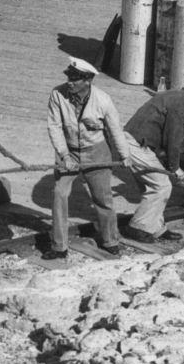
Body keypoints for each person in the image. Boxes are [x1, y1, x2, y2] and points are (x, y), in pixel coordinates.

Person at [44, 57, 133, 259]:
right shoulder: (57, 95)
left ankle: (110, 240)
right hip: (69, 151)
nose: (70, 82)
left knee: (102, 198)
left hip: (97, 151)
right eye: (69, 77)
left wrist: (125, 155)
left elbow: (115, 130)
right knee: (59, 194)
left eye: (75, 79)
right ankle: (59, 247)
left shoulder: (103, 100)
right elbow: (54, 126)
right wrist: (64, 154)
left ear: (88, 81)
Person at [122, 73, 184, 243]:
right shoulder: (182, 103)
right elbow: (172, 139)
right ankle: (137, 227)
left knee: (154, 187)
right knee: (161, 186)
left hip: (140, 142)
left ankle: (155, 228)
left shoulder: (180, 97)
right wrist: (176, 168)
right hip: (136, 144)